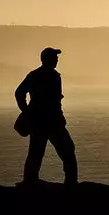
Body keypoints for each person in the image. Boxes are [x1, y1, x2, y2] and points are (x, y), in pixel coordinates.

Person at [15, 47, 78, 186]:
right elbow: (19, 93)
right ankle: (71, 183)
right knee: (66, 152)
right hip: (50, 122)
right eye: (54, 57)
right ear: (46, 59)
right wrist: (26, 111)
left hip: (44, 121)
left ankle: (30, 181)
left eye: (56, 58)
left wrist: (26, 111)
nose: (57, 60)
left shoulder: (38, 75)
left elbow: (19, 93)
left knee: (37, 153)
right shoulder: (44, 76)